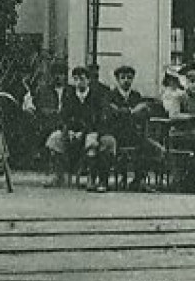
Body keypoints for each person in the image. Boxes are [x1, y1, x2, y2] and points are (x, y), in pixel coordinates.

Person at [56, 65, 117, 193]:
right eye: (76, 79)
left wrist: (86, 132)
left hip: (93, 131)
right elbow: (64, 116)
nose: (79, 82)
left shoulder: (97, 96)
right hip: (73, 133)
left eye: (82, 79)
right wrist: (69, 130)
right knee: (56, 139)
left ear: (88, 80)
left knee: (95, 142)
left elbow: (100, 118)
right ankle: (59, 176)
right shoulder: (69, 96)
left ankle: (95, 178)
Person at [108, 64, 164, 190]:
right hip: (116, 135)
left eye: (129, 77)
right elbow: (113, 113)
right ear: (117, 80)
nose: (126, 80)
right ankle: (121, 177)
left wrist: (128, 112)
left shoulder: (136, 95)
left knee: (155, 148)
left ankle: (139, 180)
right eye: (123, 77)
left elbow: (144, 113)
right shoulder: (111, 95)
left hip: (134, 134)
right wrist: (132, 111)